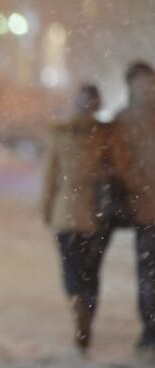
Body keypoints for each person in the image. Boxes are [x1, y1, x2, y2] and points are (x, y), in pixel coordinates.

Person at [41, 84, 132, 352]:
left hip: (66, 212)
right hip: (97, 213)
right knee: (91, 272)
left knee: (71, 270)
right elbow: (122, 169)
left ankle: (78, 309)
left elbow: (51, 175)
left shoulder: (61, 132)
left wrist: (47, 208)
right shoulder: (106, 134)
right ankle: (86, 317)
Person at [114, 61, 155, 352]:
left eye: (149, 82)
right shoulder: (124, 120)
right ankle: (150, 327)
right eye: (140, 82)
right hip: (145, 208)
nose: (146, 88)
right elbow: (117, 164)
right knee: (148, 271)